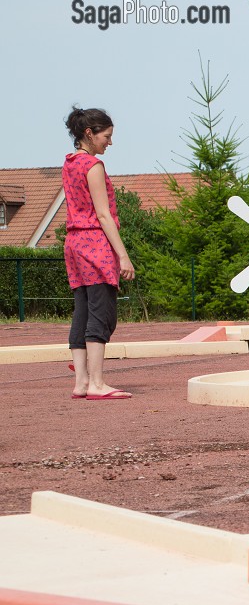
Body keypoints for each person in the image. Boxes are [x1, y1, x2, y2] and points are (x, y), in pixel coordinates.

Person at [62, 107, 136, 400]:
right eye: (107, 136)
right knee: (101, 313)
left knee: (82, 310)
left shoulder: (69, 164)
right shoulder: (93, 166)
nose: (110, 142)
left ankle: (82, 382)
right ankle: (97, 383)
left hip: (74, 244)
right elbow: (103, 216)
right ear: (89, 134)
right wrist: (123, 256)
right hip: (95, 245)